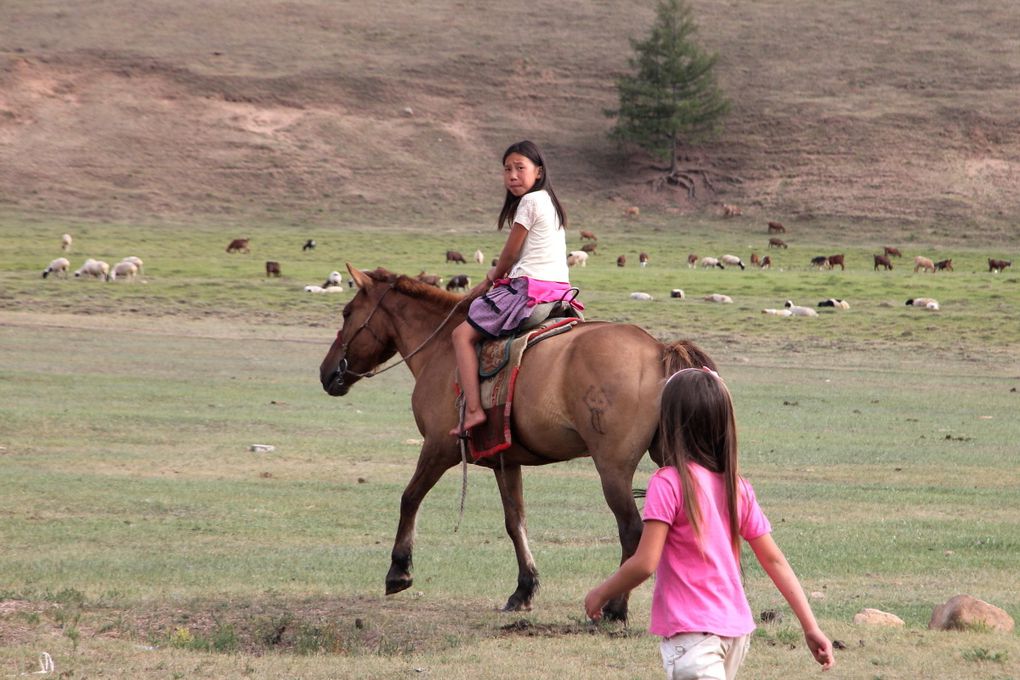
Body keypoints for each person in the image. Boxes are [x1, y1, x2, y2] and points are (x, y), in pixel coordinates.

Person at [584, 367, 834, 679]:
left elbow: (646, 562)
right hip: (734, 635)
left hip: (693, 638)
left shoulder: (669, 483)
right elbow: (775, 560)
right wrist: (811, 626)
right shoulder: (736, 487)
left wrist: (602, 592)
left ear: (669, 422)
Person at [449, 140, 577, 437]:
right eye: (507, 169)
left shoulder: (530, 202)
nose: (513, 175)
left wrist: (491, 279)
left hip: (529, 291)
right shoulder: (549, 202)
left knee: (461, 335)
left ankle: (473, 410)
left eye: (520, 168)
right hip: (559, 292)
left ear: (539, 172)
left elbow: (508, 255)